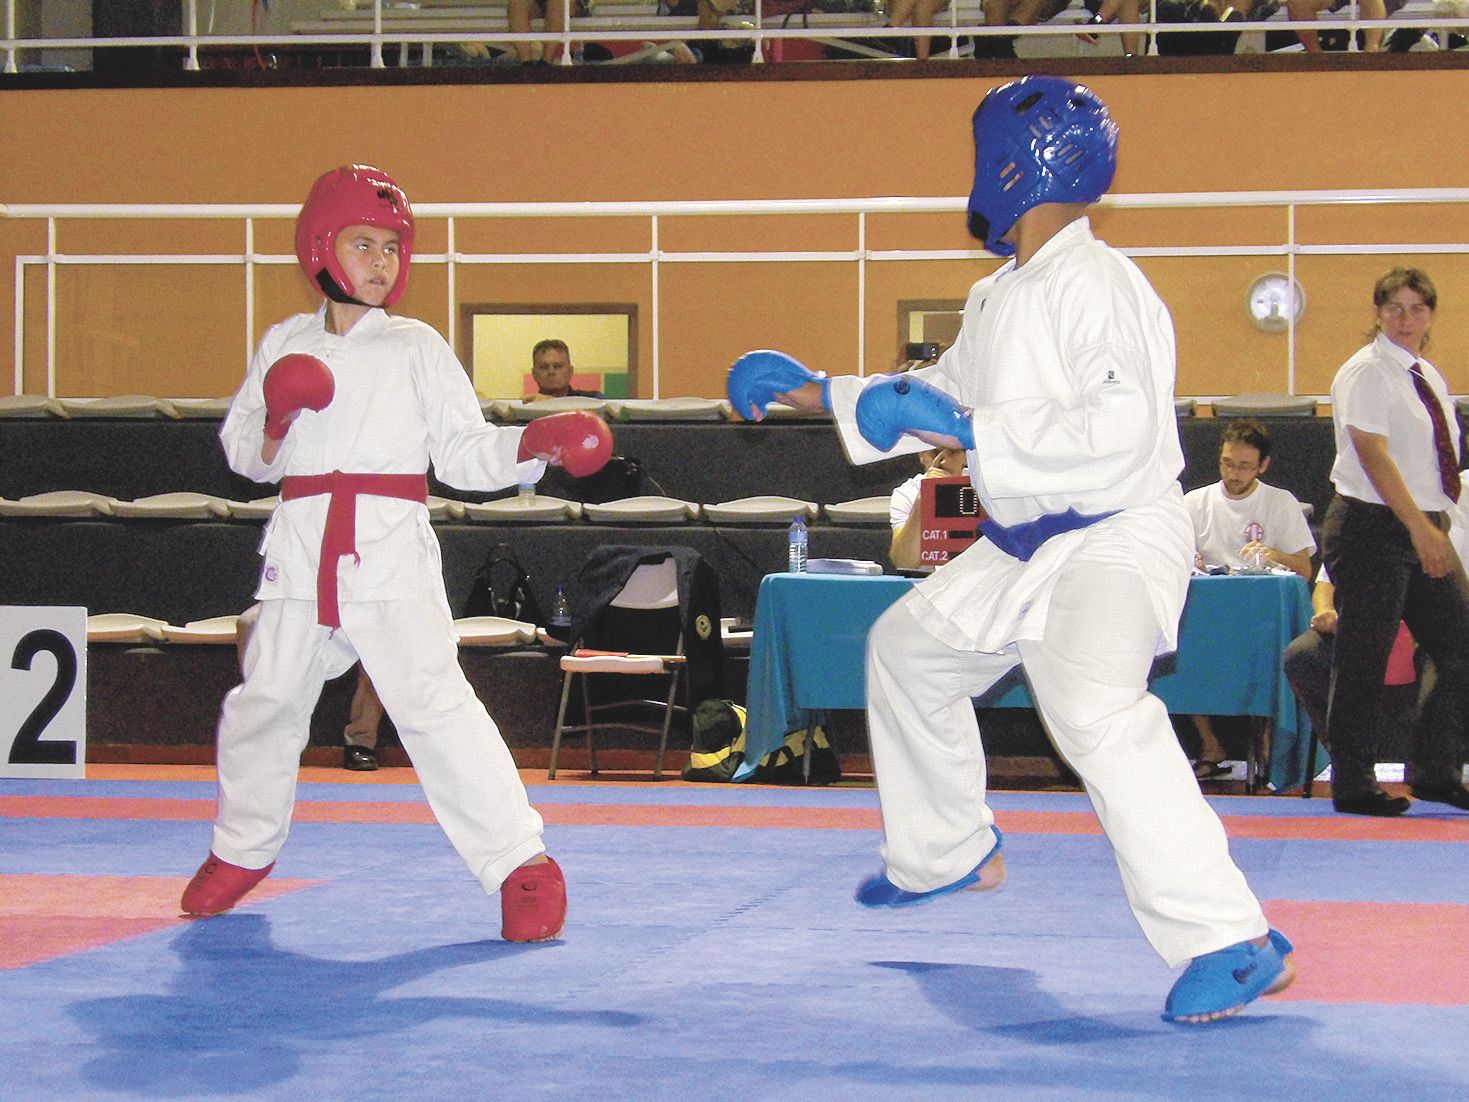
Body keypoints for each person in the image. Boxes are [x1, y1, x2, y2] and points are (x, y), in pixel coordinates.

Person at [727, 77, 1293, 1024]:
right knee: (906, 653)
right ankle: (947, 851)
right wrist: (811, 389)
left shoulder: (1102, 282)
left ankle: (1229, 938)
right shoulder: (998, 294)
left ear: (1006, 165)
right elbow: (931, 395)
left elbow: (1116, 427)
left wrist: (966, 423)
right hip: (1023, 539)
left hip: (1115, 531)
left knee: (1094, 709)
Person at [180, 164, 614, 942]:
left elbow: (461, 453)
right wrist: (277, 417)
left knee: (432, 704)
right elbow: (248, 456)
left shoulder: (417, 346)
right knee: (265, 702)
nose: (379, 261)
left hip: (386, 543)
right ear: (320, 247)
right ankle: (242, 849)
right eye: (361, 244)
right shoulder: (283, 340)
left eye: (390, 246)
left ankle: (522, 864)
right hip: (302, 543)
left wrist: (534, 443)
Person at [1322, 268, 1469, 815]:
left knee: (1461, 648)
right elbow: (1372, 453)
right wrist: (1418, 527)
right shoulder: (1366, 372)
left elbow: (1431, 464)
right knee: (1365, 656)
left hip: (1421, 523)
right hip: (1372, 525)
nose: (1407, 319)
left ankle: (1435, 770)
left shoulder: (1425, 374)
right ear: (1378, 313)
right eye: (1396, 308)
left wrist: (1434, 528)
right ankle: (1354, 783)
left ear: (1432, 315)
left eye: (1418, 309)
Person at [236, 603, 385, 771]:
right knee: (249, 621)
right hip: (300, 601)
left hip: (357, 602)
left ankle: (361, 742)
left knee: (379, 633)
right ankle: (269, 730)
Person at [1185, 417, 1316, 579]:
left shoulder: (1281, 502)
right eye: (1227, 464)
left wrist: (1275, 556)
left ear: (1263, 465)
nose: (1233, 474)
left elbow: (1305, 571)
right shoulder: (1193, 502)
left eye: (1244, 466)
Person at [889, 447, 967, 571]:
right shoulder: (908, 493)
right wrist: (923, 499)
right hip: (934, 584)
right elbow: (904, 562)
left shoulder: (986, 487)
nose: (942, 462)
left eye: (952, 452)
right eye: (935, 453)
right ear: (922, 456)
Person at [523, 338, 605, 401]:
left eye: (558, 366)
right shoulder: (524, 406)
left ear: (570, 371)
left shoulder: (593, 399)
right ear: (534, 374)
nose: (551, 371)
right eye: (544, 367)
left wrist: (550, 402)